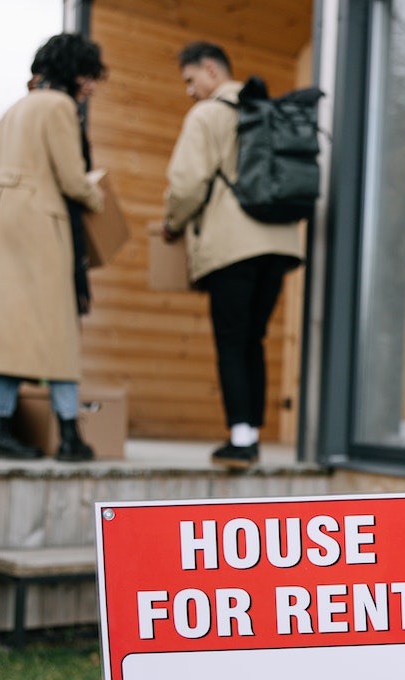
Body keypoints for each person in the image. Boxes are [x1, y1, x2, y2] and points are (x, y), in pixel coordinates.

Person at [0, 32, 107, 462]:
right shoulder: (60, 107)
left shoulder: (15, 109)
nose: (91, 86)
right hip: (41, 221)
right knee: (58, 327)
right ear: (71, 73)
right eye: (88, 76)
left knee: (8, 329)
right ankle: (70, 435)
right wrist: (100, 199)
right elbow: (73, 180)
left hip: (0, 222)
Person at [162, 41, 302, 470]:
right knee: (253, 339)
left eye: (190, 79)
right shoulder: (270, 110)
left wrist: (173, 221)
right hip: (279, 244)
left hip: (232, 246)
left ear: (210, 69)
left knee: (231, 339)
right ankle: (250, 435)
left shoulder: (207, 114)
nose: (189, 90)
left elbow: (186, 185)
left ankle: (241, 441)